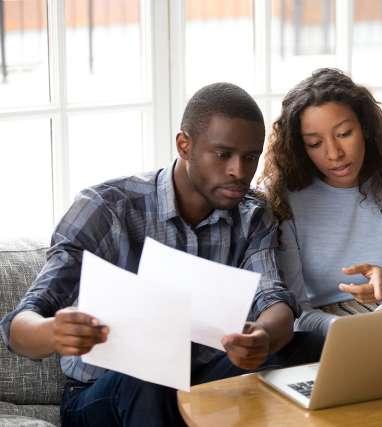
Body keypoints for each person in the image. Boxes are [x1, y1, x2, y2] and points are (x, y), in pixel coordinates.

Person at [0, 83, 323, 426]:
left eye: (250, 157)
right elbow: (19, 325)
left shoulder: (252, 214)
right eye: (223, 154)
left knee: (309, 346)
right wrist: (53, 332)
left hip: (200, 383)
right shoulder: (107, 208)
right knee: (150, 374)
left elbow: (274, 300)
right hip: (105, 394)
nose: (239, 172)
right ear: (184, 145)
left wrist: (263, 337)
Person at [260, 68, 382, 336]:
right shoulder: (283, 196)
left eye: (344, 133)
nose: (334, 154)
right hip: (320, 331)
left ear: (365, 128)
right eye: (315, 143)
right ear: (300, 147)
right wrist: (346, 331)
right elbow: (294, 311)